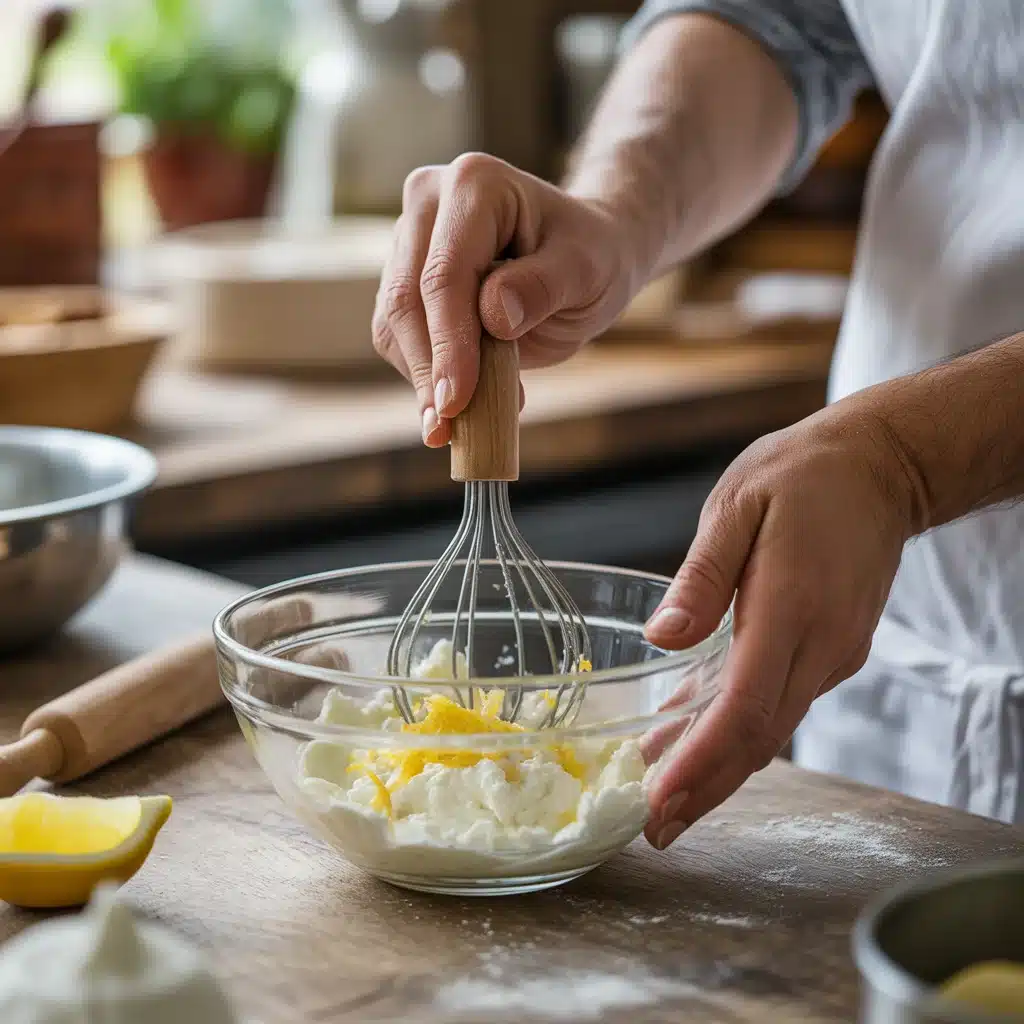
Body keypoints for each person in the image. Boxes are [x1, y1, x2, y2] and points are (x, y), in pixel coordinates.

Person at [371, 0, 1024, 849]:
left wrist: (912, 459)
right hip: (908, 671)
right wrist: (614, 209)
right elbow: (778, 17)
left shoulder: (898, 462)